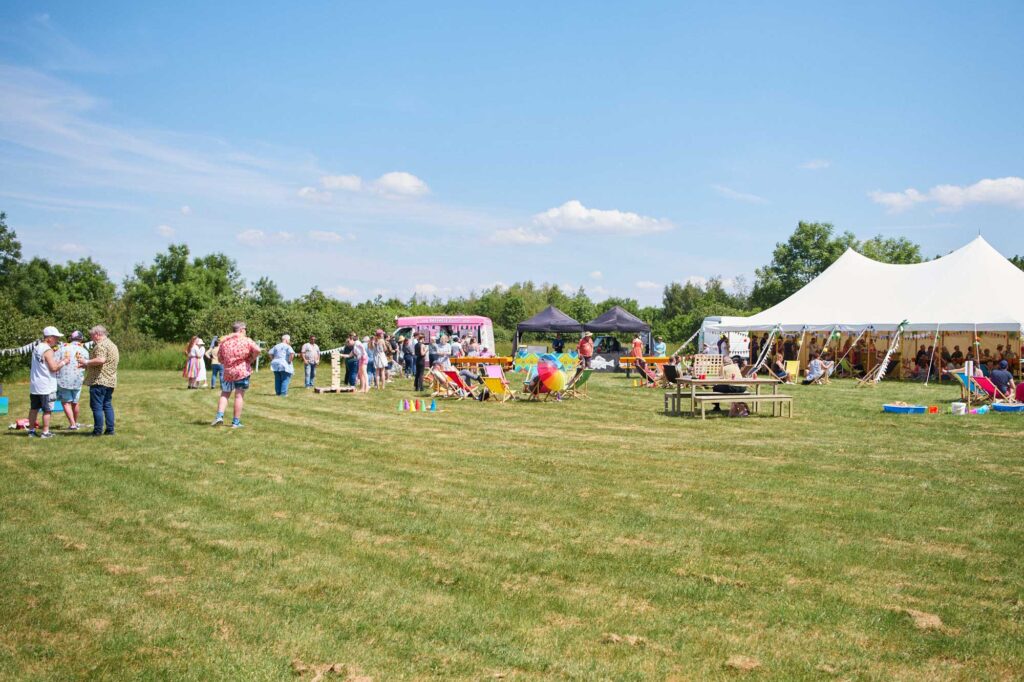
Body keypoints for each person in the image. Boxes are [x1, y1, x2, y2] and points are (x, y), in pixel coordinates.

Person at [212, 321, 260, 428]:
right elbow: (257, 349)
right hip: (242, 371)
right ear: (242, 330)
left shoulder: (225, 342)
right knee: (239, 396)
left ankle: (219, 416)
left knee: (225, 394)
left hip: (228, 371)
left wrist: (228, 362)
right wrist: (251, 358)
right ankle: (235, 422)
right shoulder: (246, 340)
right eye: (245, 330)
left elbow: (219, 358)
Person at [28, 326, 73, 438]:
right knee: (47, 410)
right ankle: (45, 432)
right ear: (49, 338)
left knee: (34, 409)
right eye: (56, 337)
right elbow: (53, 368)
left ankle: (31, 431)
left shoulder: (37, 347)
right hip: (46, 385)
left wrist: (59, 361)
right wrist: (64, 362)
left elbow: (44, 364)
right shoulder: (48, 350)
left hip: (35, 385)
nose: (57, 340)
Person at [81, 325, 120, 436]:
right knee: (107, 405)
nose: (91, 337)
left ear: (97, 334)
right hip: (110, 380)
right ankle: (110, 430)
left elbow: (101, 360)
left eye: (92, 335)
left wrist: (86, 362)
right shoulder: (112, 345)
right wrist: (87, 366)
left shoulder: (101, 346)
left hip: (99, 380)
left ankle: (97, 431)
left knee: (96, 406)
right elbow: (106, 362)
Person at [55, 330, 89, 431]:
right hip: (78, 379)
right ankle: (75, 422)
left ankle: (73, 424)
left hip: (63, 380)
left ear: (70, 338)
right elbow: (87, 365)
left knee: (66, 402)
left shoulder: (62, 348)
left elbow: (55, 362)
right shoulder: (84, 351)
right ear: (81, 339)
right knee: (75, 402)